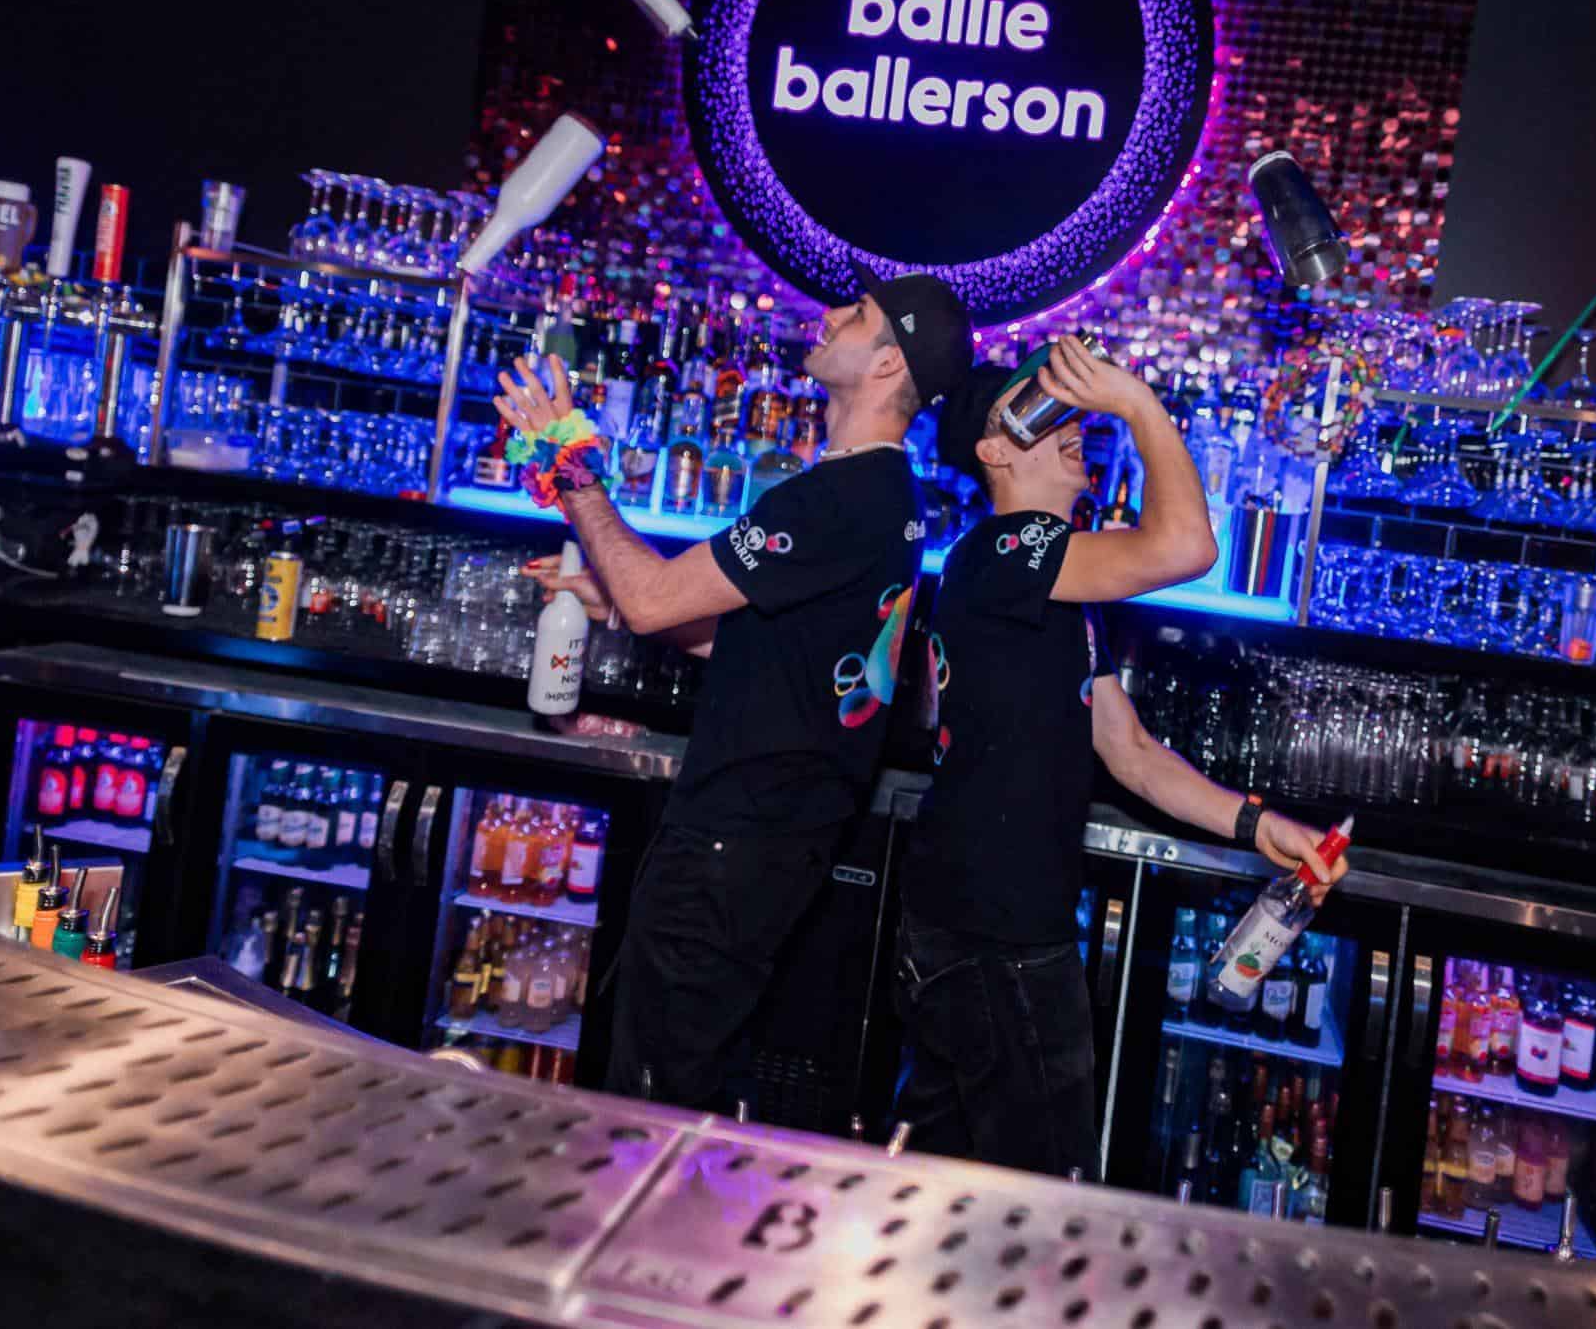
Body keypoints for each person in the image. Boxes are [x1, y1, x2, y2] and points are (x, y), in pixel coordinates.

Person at [493, 264, 973, 1112]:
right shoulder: (888, 499)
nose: (828, 316)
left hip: (730, 849)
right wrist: (611, 593)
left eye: (856, 313)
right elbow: (766, 646)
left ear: (890, 364)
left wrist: (570, 471)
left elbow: (654, 602)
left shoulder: (831, 499)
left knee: (654, 1103)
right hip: (775, 848)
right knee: (701, 1079)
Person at [894, 338, 1347, 1178]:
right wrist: (1137, 403)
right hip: (998, 932)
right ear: (993, 450)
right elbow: (1187, 547)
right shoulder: (1006, 549)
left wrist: (1256, 825)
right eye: (1036, 412)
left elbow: (1129, 750)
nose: (1070, 425)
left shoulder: (1049, 583)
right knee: (1040, 1196)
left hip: (979, 920)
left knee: (942, 1178)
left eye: (1069, 410)